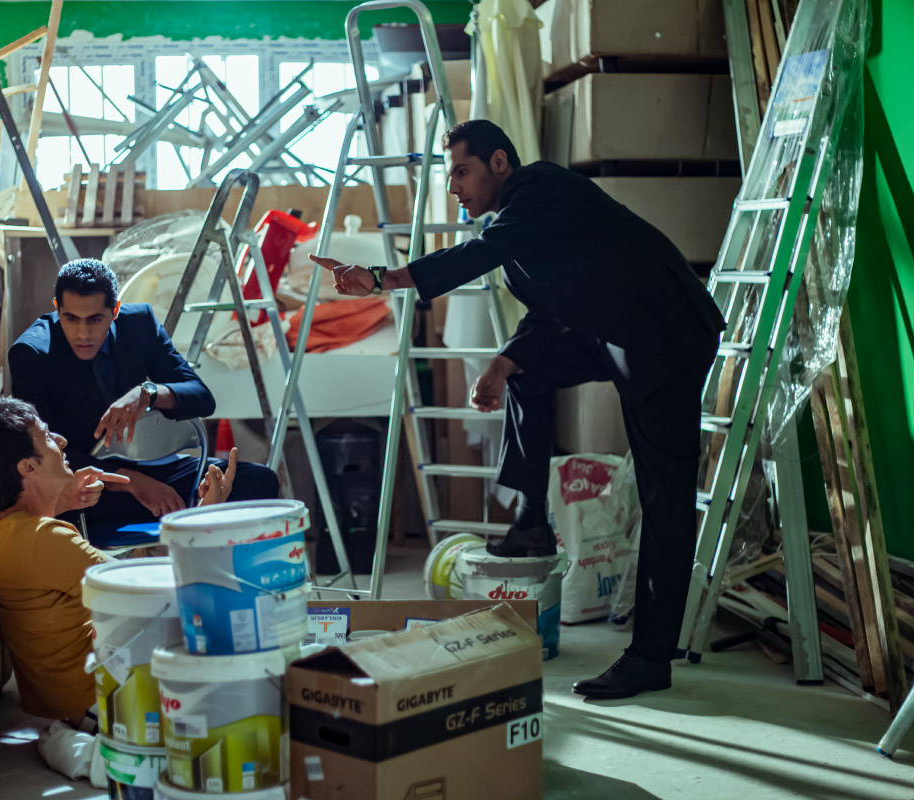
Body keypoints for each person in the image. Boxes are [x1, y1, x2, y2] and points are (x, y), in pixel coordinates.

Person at [310, 120, 725, 701]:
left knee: (665, 496)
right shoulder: (519, 229)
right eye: (450, 175)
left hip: (666, 333)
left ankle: (651, 658)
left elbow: (479, 253)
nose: (454, 187)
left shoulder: (540, 188)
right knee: (528, 370)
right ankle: (532, 524)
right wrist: (504, 363)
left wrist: (383, 278)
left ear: (499, 163)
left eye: (462, 171)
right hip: (619, 331)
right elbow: (551, 306)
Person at [0, 396, 236, 725]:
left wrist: (62, 499)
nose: (61, 441)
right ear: (28, 467)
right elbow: (159, 590)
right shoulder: (46, 540)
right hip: (104, 704)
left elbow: (26, 536)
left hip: (65, 701)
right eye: (47, 436)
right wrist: (205, 515)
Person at [9, 258, 279, 544]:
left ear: (115, 310)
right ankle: (192, 537)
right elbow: (39, 453)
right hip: (86, 489)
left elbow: (201, 397)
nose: (83, 334)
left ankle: (211, 560)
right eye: (71, 319)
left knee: (259, 481)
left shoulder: (139, 325)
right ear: (57, 308)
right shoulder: (31, 353)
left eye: (95, 319)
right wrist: (132, 483)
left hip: (156, 471)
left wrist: (147, 394)